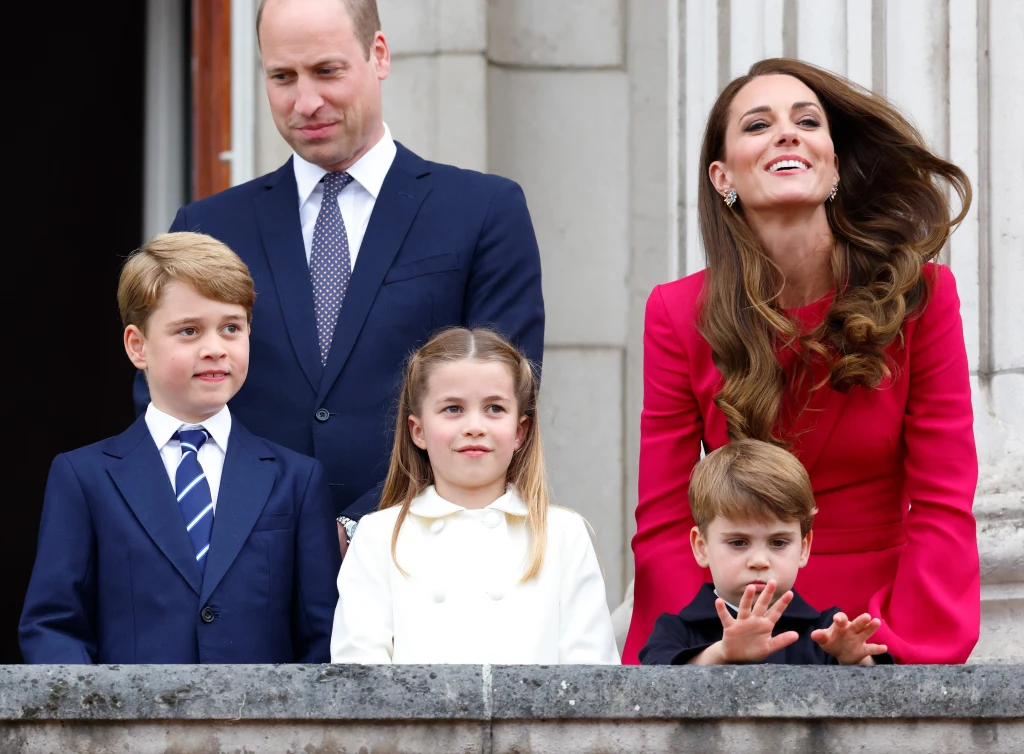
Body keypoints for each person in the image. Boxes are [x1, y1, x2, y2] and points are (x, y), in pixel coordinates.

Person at [138, 0, 545, 553]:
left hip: (429, 556)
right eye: (282, 77)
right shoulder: (208, 226)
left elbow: (506, 393)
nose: (306, 102)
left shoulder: (483, 210)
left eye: (327, 71)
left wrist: (364, 526)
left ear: (378, 54)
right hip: (247, 569)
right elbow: (165, 399)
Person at [623, 57, 979, 665]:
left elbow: (944, 497)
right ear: (722, 176)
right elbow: (663, 515)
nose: (787, 132)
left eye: (807, 121)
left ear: (833, 164)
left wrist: (901, 644)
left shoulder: (922, 295)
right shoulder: (676, 313)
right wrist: (702, 649)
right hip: (744, 622)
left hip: (876, 621)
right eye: (757, 126)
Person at [20, 233, 340, 663]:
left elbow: (323, 635)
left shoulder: (297, 479)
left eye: (231, 327)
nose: (214, 349)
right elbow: (53, 626)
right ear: (138, 346)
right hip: (129, 726)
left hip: (265, 727)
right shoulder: (84, 476)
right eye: (189, 331)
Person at [330, 328, 619, 664]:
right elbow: (360, 679)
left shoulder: (564, 535)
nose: (474, 426)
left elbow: (592, 680)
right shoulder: (378, 536)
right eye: (453, 409)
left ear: (520, 432)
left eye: (494, 408)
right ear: (418, 431)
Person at [640, 440, 893, 665]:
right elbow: (650, 687)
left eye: (778, 543)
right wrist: (721, 653)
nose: (759, 561)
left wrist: (855, 660)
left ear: (804, 548)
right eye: (738, 542)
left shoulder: (826, 632)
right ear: (701, 547)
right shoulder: (675, 630)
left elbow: (883, 701)